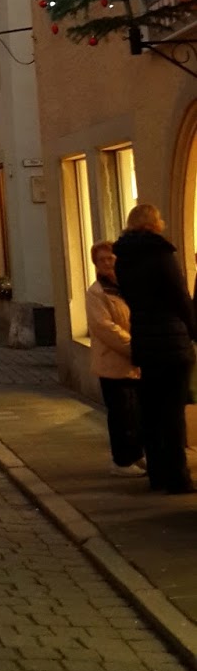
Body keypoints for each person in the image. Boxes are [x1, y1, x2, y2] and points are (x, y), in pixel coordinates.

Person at [113, 204, 195, 495]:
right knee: (173, 413)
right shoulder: (161, 254)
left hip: (145, 341)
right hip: (171, 342)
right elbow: (180, 297)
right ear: (153, 223)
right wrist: (194, 329)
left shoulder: (123, 258)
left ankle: (157, 474)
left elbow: (129, 295)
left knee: (152, 410)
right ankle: (177, 477)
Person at [85, 241, 144, 475]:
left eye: (110, 258)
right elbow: (105, 327)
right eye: (102, 260)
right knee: (122, 413)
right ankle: (122, 461)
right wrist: (134, 347)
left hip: (134, 362)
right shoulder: (96, 292)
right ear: (96, 264)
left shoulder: (127, 286)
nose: (107, 263)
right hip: (112, 361)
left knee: (136, 413)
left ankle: (136, 455)